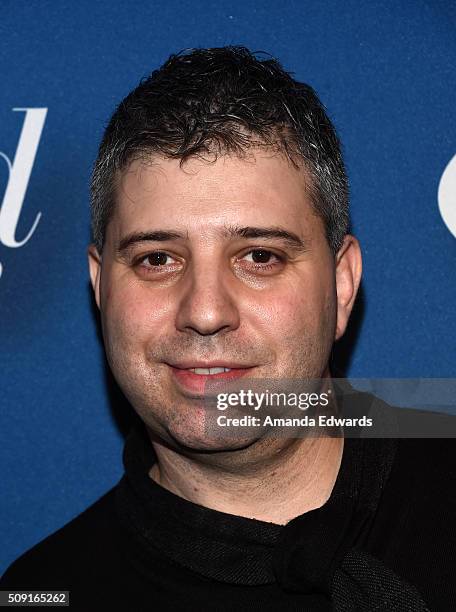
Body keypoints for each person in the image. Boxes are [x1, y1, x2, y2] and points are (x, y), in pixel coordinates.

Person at [1, 46, 455, 611]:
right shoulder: (45, 590)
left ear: (341, 286)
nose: (206, 311)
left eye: (259, 256)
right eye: (157, 259)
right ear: (99, 287)